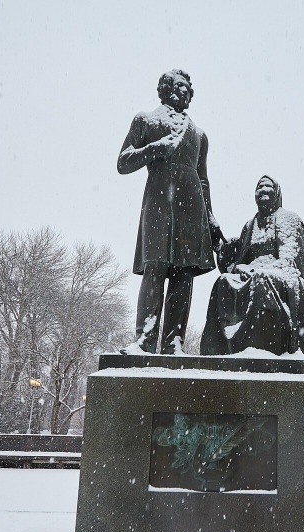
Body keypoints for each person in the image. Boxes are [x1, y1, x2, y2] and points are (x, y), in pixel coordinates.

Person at [118, 69, 224, 354]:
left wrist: (212, 223)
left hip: (192, 211)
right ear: (164, 90)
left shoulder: (199, 135)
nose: (186, 91)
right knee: (155, 268)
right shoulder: (145, 120)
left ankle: (173, 342)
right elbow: (123, 162)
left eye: (189, 88)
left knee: (183, 274)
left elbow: (203, 180)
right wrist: (154, 149)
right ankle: (145, 340)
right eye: (180, 86)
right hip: (158, 205)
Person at [200, 175, 304, 358]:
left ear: (277, 194)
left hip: (283, 277)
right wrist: (223, 250)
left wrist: (258, 270)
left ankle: (259, 348)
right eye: (260, 188)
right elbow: (238, 261)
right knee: (223, 282)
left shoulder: (288, 219)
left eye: (268, 188)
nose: (263, 191)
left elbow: (290, 261)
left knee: (261, 281)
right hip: (251, 275)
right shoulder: (250, 225)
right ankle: (220, 352)